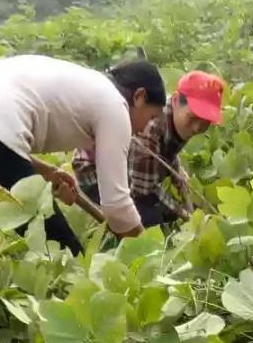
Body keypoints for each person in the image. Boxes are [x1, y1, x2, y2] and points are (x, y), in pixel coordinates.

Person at [0, 55, 167, 251]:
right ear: (139, 97)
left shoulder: (89, 85)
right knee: (64, 257)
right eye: (152, 117)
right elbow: (116, 206)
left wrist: (43, 172)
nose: (145, 128)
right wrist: (147, 252)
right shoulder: (115, 107)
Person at [73, 69, 224, 231]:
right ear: (174, 101)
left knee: (168, 212)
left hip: (128, 169)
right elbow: (142, 190)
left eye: (205, 122)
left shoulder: (175, 118)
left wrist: (176, 173)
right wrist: (185, 215)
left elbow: (166, 152)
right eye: (193, 118)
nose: (197, 128)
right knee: (151, 219)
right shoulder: (150, 126)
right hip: (95, 172)